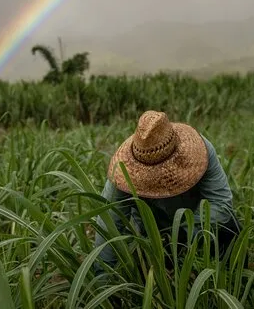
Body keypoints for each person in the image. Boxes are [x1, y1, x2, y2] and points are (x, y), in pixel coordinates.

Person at [93, 110, 242, 276]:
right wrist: (102, 277)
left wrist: (183, 234)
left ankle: (235, 278)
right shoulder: (123, 172)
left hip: (196, 221)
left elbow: (221, 203)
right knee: (141, 269)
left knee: (231, 230)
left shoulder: (202, 150)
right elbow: (109, 225)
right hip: (152, 232)